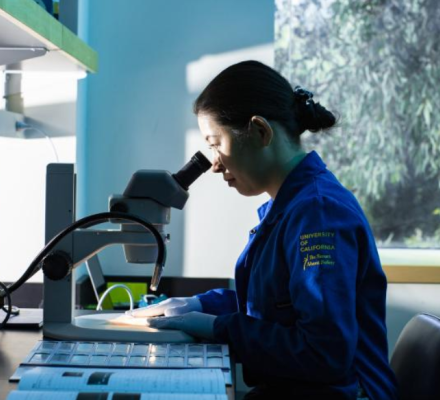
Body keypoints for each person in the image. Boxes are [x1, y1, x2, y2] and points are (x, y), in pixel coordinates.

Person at [129, 60, 398, 400]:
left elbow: (325, 354)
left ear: (260, 132)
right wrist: (198, 304)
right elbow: (272, 310)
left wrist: (218, 328)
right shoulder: (292, 206)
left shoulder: (318, 213)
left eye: (216, 143)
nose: (213, 163)